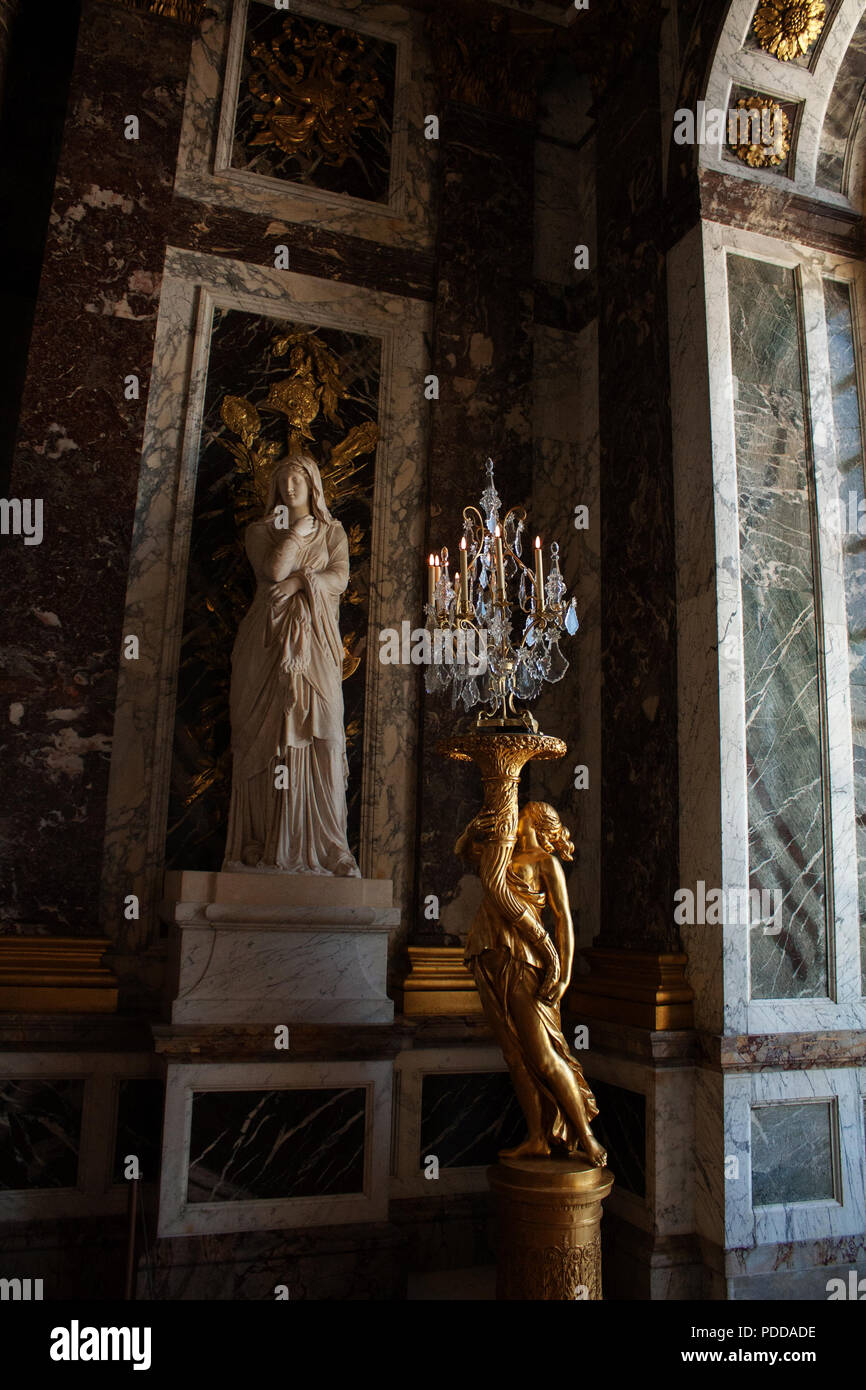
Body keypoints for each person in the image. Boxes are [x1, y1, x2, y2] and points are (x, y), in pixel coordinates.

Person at [222, 449, 360, 877]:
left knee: (326, 732)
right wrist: (297, 537)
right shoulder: (261, 530)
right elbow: (275, 570)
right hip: (267, 644)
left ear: (313, 484)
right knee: (273, 737)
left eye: (298, 479)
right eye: (283, 480)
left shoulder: (333, 531)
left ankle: (330, 844)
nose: (289, 486)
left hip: (316, 643)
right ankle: (266, 843)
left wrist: (305, 580)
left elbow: (339, 577)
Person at [457, 799, 606, 1165]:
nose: (515, 819)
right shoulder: (500, 856)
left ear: (534, 822)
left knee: (543, 1055)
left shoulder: (545, 863)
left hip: (527, 963)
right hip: (488, 956)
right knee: (514, 1055)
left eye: (520, 815)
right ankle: (537, 1136)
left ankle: (586, 1137)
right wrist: (477, 825)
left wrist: (566, 974)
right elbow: (463, 852)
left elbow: (563, 920)